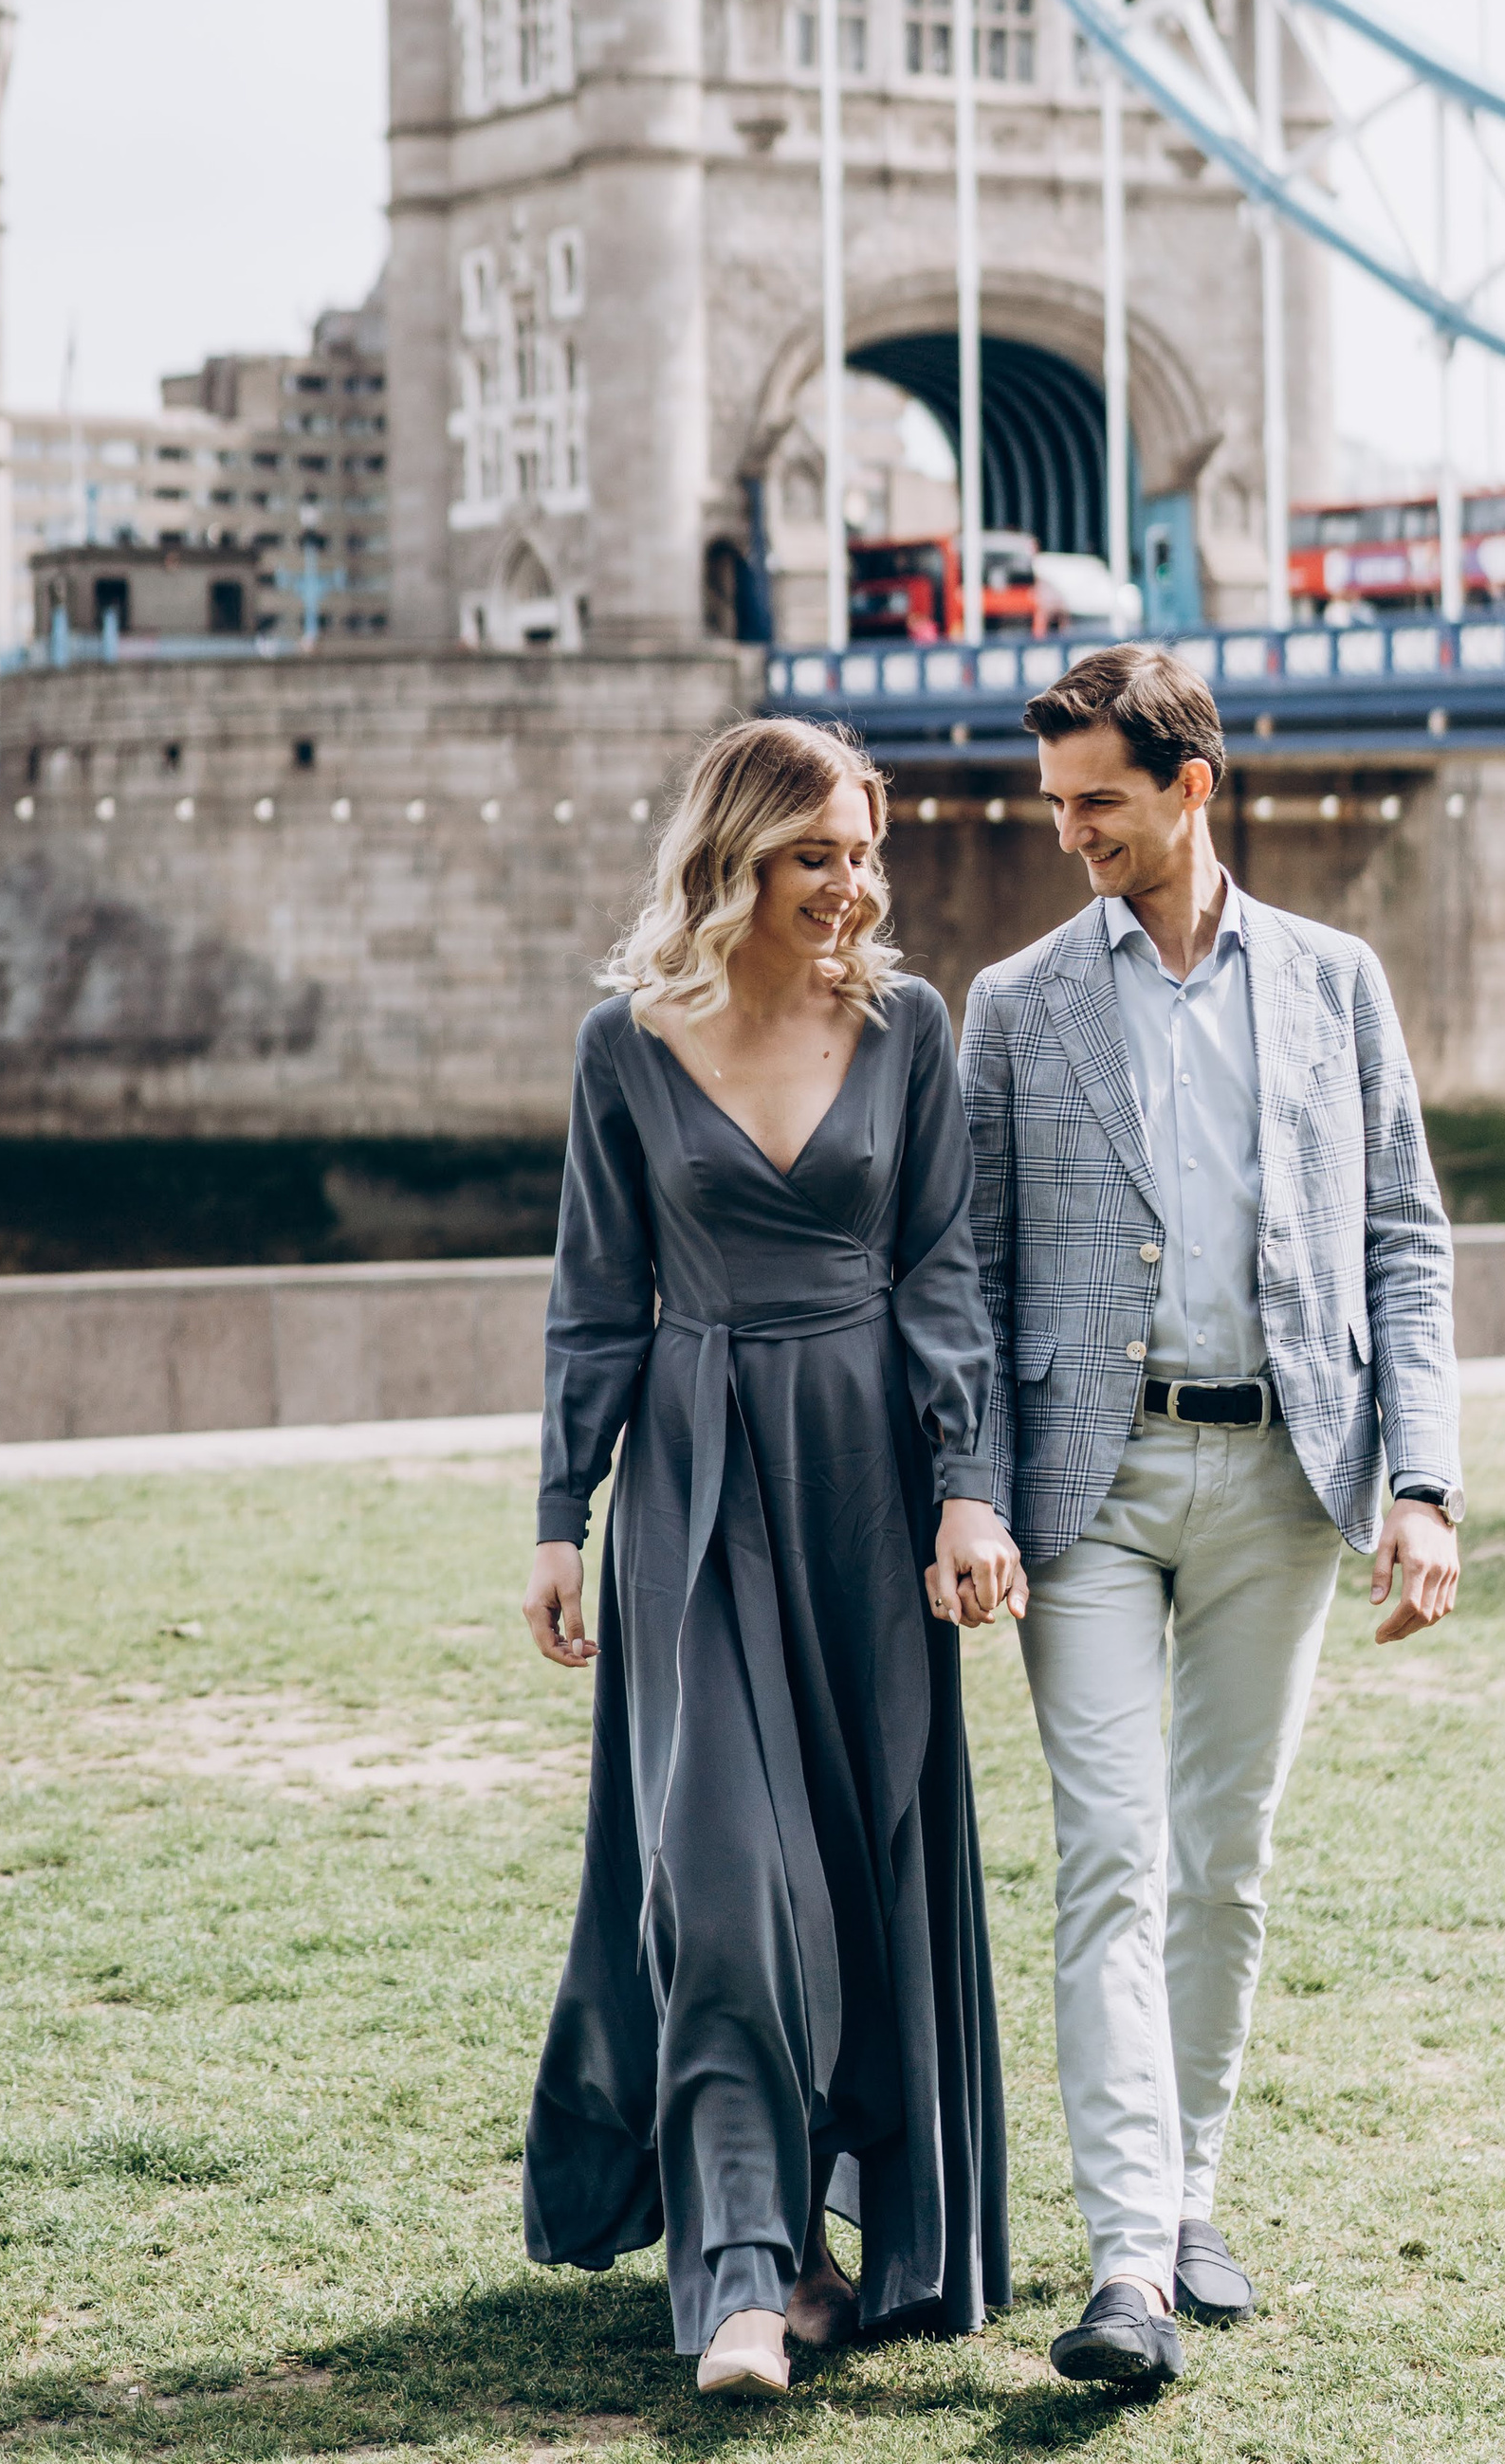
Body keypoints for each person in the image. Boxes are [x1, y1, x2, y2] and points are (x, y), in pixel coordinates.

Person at [961, 644, 1461, 2392]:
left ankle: (1188, 2195)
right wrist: (968, 1480)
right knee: (1111, 1857)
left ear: (1193, 785)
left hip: (1283, 1475)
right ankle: (1126, 2267)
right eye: (1056, 805)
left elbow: (1403, 1237)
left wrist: (1425, 1480)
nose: (1071, 831)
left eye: (1099, 799)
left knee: (1222, 1859)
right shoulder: (1013, 1003)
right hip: (1080, 1485)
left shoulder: (1336, 982)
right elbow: (968, 1269)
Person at [521, 718, 1020, 2397]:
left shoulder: (909, 1025)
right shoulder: (626, 1045)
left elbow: (943, 1269)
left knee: (870, 1874)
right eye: (820, 854)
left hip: (870, 1488)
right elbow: (597, 1300)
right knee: (724, 1882)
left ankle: (851, 2247)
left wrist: (968, 1486)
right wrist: (556, 1514)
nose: (853, 885)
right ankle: (745, 2274)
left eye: (864, 852)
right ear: (737, 856)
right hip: (696, 1487)